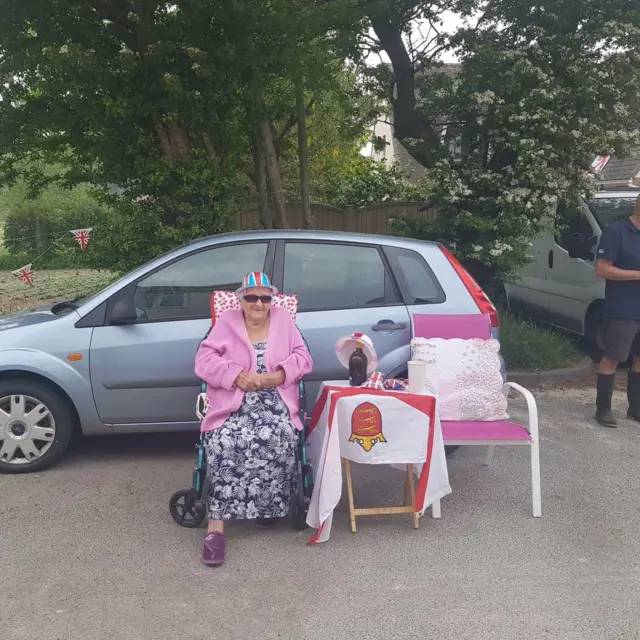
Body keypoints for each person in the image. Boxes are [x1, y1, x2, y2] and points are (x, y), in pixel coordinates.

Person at [194, 272, 313, 565]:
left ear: (272, 299)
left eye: (265, 297)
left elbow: (304, 358)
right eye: (251, 297)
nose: (258, 303)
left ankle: (267, 508)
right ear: (240, 300)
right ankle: (216, 528)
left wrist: (280, 375)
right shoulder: (227, 323)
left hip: (275, 400)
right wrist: (236, 376)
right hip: (233, 403)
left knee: (282, 435)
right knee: (224, 442)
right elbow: (204, 361)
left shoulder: (284, 320)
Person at [594, 193, 640, 427]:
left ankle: (635, 407)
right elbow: (602, 269)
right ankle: (603, 409)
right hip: (622, 308)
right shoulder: (617, 232)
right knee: (612, 357)